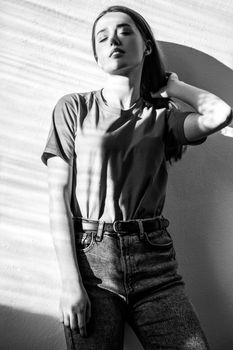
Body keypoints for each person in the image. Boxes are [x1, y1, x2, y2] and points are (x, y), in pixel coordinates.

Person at [41, 5, 232, 350]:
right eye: (102, 37)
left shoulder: (162, 118)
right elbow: (57, 197)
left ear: (146, 46)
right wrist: (71, 284)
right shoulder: (73, 108)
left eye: (124, 31)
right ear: (96, 55)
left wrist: (173, 87)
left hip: (155, 262)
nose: (113, 40)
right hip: (91, 264)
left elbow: (220, 114)